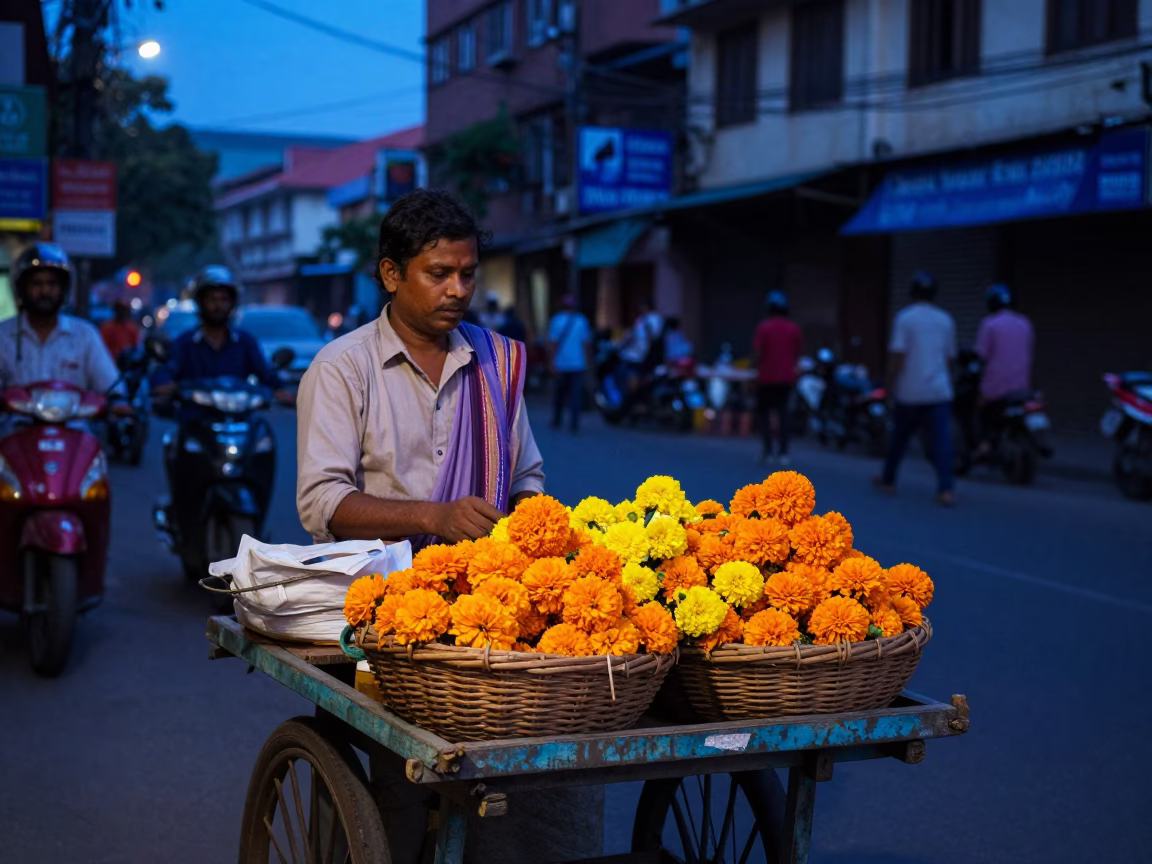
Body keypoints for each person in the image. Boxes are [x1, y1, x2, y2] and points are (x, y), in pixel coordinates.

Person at [294, 189, 601, 864]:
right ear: (392, 273)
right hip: (379, 609)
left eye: (469, 273)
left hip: (487, 603)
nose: (459, 290)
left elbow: (528, 478)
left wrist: (531, 532)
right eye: (440, 273)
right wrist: (434, 517)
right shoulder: (343, 368)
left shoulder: (497, 363)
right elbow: (322, 500)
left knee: (555, 755)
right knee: (399, 801)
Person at [0, 243, 124, 404]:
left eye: (52, 284)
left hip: (74, 426)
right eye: (36, 284)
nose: (45, 291)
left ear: (63, 289)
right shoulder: (3, 335)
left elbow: (111, 388)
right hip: (16, 426)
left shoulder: (85, 335)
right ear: (22, 289)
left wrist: (117, 403)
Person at [151, 266, 290, 408]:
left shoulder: (245, 342)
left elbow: (265, 374)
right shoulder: (185, 343)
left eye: (224, 299)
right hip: (195, 422)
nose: (218, 306)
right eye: (212, 299)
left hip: (240, 419)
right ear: (200, 303)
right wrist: (165, 386)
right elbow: (166, 371)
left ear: (232, 303)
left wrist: (280, 392)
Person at [875, 272, 957, 506]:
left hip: (911, 391)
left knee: (899, 439)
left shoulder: (905, 318)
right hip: (938, 392)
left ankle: (888, 480)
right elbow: (950, 357)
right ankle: (946, 489)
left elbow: (897, 355)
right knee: (941, 442)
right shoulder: (945, 320)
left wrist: (889, 385)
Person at [974, 283, 1034, 453]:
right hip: (1022, 387)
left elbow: (981, 356)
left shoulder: (990, 324)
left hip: (996, 388)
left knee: (981, 412)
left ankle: (983, 445)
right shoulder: (1025, 324)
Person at [752, 291, 803, 465]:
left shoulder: (764, 328)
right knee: (784, 415)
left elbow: (758, 354)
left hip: (766, 378)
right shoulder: (793, 329)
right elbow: (797, 354)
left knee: (764, 414)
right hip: (787, 378)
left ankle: (767, 451)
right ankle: (783, 453)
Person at [547, 294, 592, 432]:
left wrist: (551, 361)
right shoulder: (582, 321)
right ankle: (574, 422)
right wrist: (587, 361)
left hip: (561, 363)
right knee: (575, 395)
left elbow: (552, 343)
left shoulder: (556, 320)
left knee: (559, 393)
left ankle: (557, 419)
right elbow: (586, 344)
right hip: (578, 363)